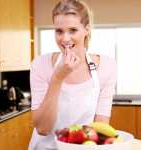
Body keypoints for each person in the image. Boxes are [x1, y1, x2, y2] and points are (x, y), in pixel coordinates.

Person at [28, 0, 116, 149]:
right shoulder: (40, 65)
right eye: (59, 31)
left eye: (73, 30)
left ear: (86, 30)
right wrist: (57, 78)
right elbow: (42, 129)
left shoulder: (107, 66)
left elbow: (101, 125)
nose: (65, 38)